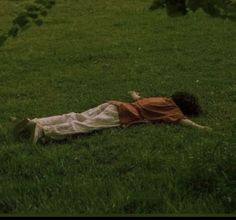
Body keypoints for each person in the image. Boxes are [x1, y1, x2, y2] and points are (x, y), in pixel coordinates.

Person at [13, 91, 212, 144]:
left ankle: (38, 121)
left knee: (76, 115)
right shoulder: (175, 112)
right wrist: (202, 129)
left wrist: (134, 96)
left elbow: (141, 99)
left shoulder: (164, 99)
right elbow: (184, 122)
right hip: (121, 115)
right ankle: (44, 131)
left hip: (114, 104)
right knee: (85, 125)